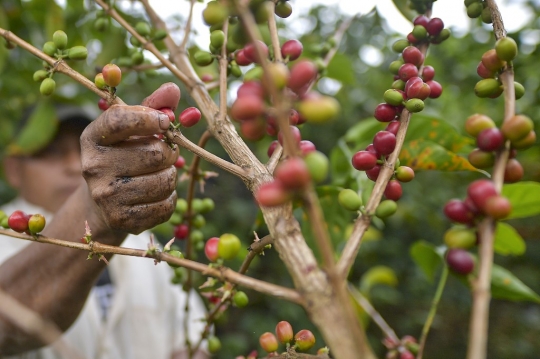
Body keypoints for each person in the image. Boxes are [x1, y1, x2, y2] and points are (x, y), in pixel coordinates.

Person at [0, 83, 209, 359]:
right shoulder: (6, 235)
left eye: (80, 150)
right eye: (51, 152)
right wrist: (93, 214)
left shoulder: (145, 245)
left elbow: (191, 337)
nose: (74, 165)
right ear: (14, 170)